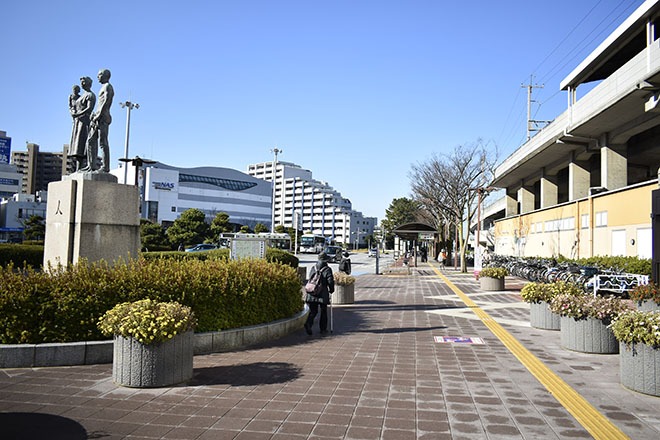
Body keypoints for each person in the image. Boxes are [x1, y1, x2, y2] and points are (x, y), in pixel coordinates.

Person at [83, 68, 114, 172]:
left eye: (100, 74)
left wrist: (99, 114)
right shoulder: (103, 87)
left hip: (103, 118)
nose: (97, 77)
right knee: (90, 141)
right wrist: (95, 114)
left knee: (103, 142)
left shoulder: (108, 86)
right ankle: (91, 165)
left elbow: (106, 102)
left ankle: (105, 167)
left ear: (106, 76)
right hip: (97, 117)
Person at [304, 252, 335, 335]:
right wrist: (331, 290)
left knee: (313, 311)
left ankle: (308, 324)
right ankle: (323, 329)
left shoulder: (313, 267)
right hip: (322, 293)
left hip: (312, 292)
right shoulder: (327, 269)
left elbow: (310, 278)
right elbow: (330, 281)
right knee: (323, 311)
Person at [70, 77, 95, 171]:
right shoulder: (80, 96)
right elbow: (73, 106)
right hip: (78, 122)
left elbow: (89, 108)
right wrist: (73, 112)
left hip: (85, 122)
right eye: (81, 82)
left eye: (84, 82)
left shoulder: (90, 95)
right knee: (77, 145)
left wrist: (78, 114)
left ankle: (85, 166)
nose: (82, 84)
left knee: (83, 144)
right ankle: (78, 168)